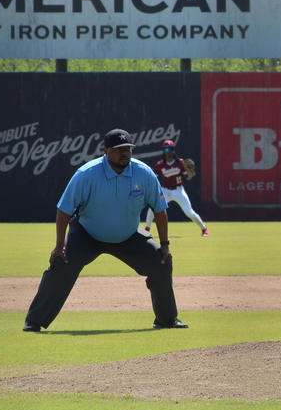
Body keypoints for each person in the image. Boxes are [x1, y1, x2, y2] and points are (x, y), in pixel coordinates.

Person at [22, 128, 188, 332]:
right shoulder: (87, 174)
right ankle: (34, 321)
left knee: (161, 261)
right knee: (61, 261)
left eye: (127, 148)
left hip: (128, 235)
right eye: (118, 149)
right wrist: (58, 246)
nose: (124, 153)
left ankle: (167, 319)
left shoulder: (144, 173)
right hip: (87, 234)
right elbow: (64, 210)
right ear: (105, 150)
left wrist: (165, 245)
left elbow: (160, 211)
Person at [144, 139, 209, 237]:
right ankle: (147, 228)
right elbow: (153, 178)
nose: (168, 151)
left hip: (179, 190)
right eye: (166, 149)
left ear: (174, 150)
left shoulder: (180, 163)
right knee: (153, 207)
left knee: (189, 212)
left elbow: (188, 177)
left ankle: (204, 229)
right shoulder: (160, 165)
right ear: (163, 151)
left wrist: (190, 173)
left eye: (170, 149)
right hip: (165, 191)